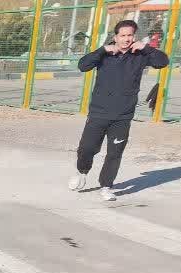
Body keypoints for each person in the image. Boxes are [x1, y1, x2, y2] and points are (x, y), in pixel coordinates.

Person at [71, 20, 169, 200]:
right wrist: (102, 50)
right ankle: (82, 171)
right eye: (122, 35)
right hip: (99, 112)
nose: (126, 39)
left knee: (115, 153)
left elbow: (163, 62)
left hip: (123, 115)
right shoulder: (105, 54)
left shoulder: (140, 54)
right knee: (87, 148)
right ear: (115, 37)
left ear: (134, 36)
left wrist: (146, 48)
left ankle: (106, 186)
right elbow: (83, 65)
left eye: (130, 35)